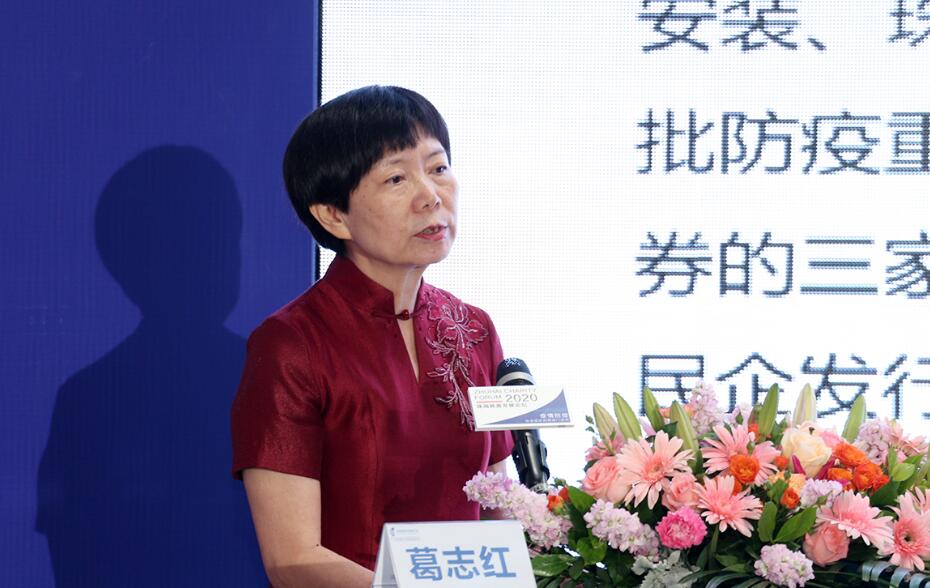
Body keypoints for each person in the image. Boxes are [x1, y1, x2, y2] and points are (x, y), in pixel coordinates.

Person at [231, 86, 514, 587]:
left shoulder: (475, 329)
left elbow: (499, 509)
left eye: (438, 167)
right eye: (396, 178)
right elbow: (292, 560)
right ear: (333, 215)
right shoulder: (291, 344)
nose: (430, 196)